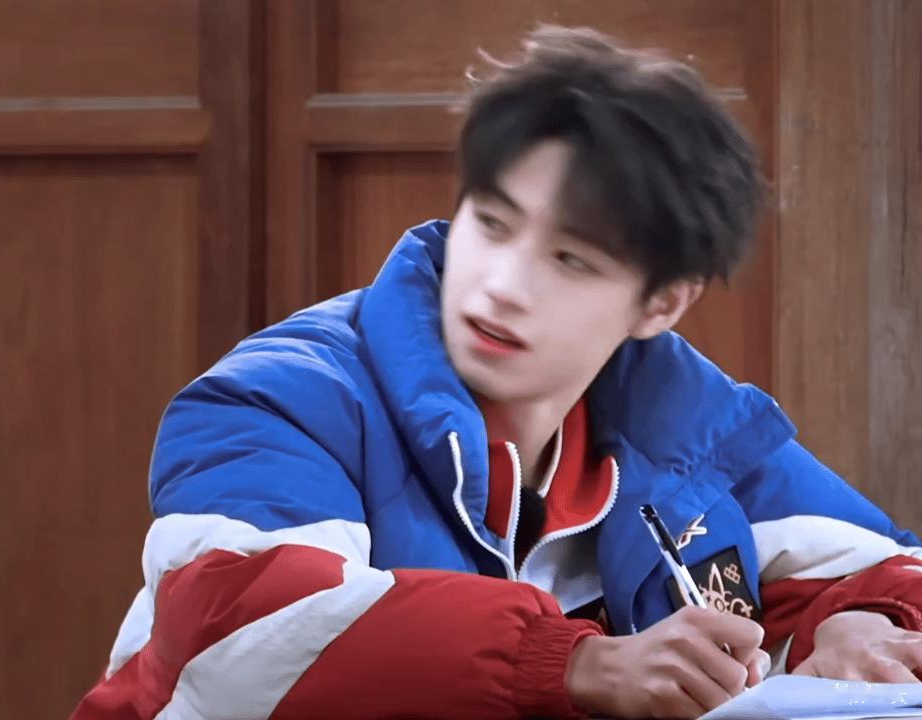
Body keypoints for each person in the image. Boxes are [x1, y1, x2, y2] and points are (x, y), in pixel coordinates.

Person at [72, 25, 922, 720]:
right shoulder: (281, 398)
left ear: (662, 301)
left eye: (569, 260)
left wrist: (853, 625)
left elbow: (888, 568)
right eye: (492, 223)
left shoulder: (685, 430)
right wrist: (575, 665)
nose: (503, 285)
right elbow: (240, 634)